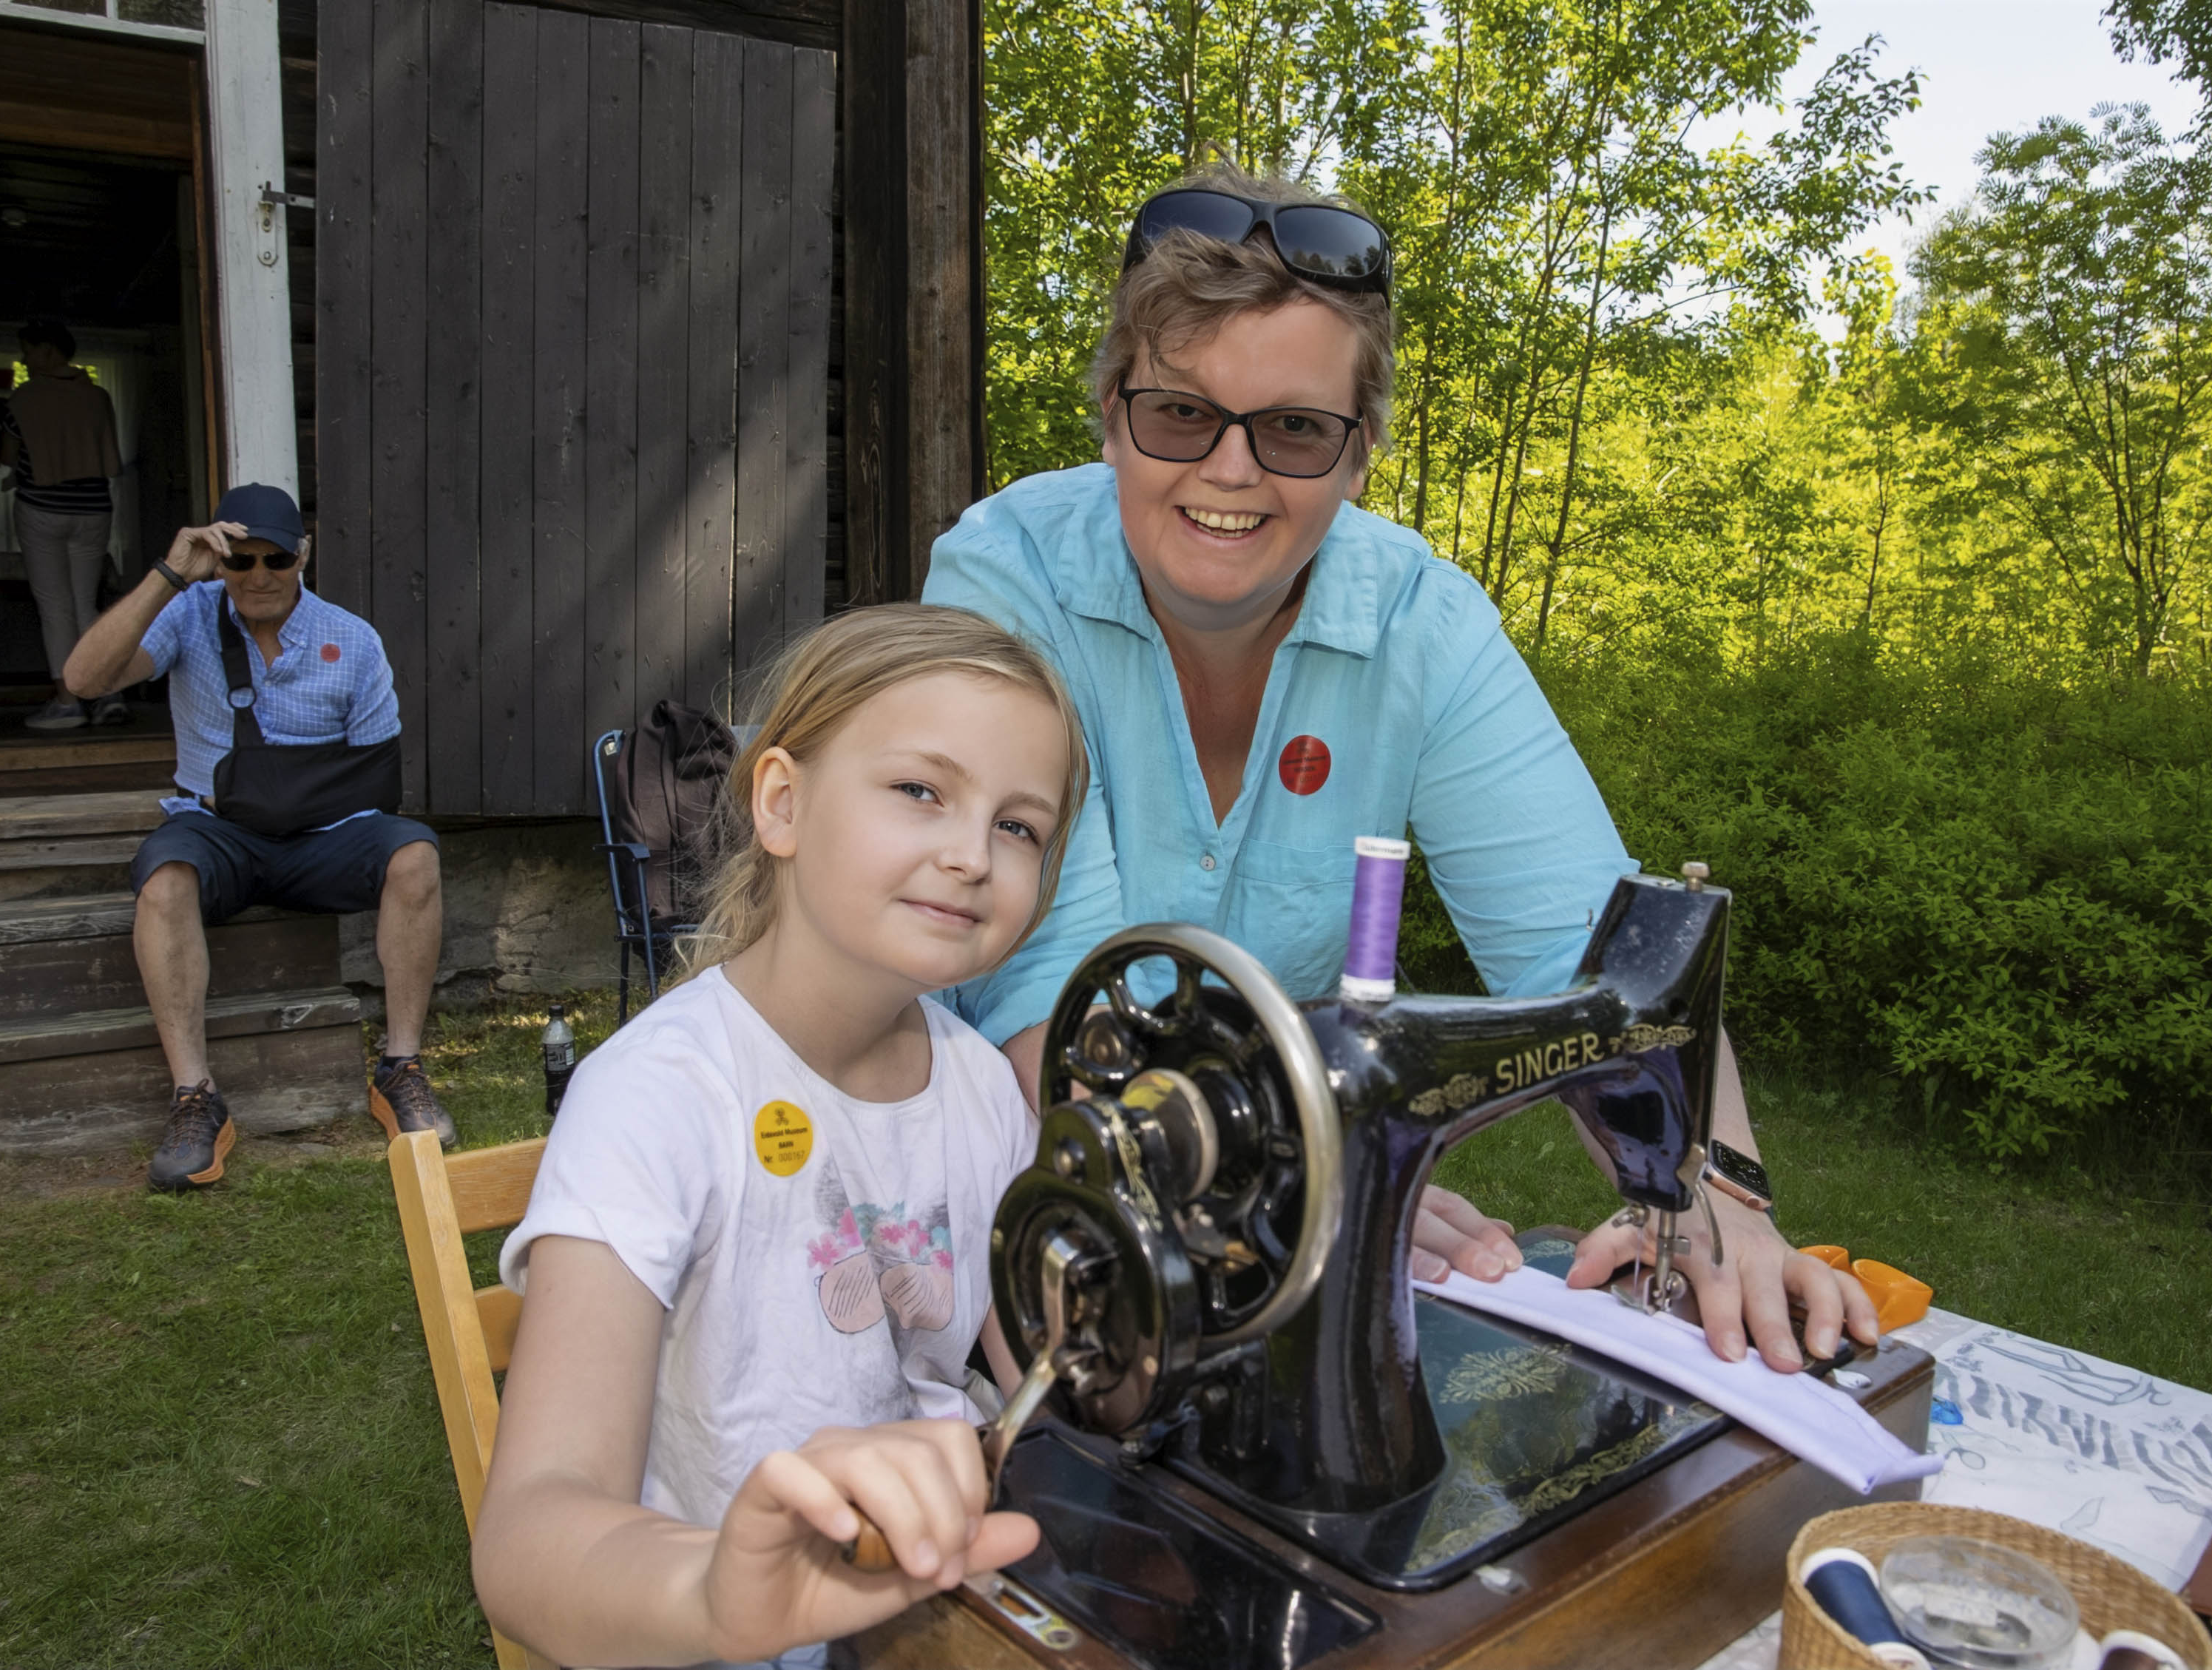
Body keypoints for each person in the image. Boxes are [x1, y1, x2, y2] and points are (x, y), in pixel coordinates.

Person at [922, 163, 1878, 1373]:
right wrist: (1301, 1175)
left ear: (1361, 453)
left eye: (1295, 429)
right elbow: (1054, 1012)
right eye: (1179, 414)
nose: (1230, 470)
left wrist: (1718, 1197)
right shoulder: (1006, 577)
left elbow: (1598, 953)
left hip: (1227, 1207)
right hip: (966, 1183)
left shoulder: (1425, 625)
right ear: (1111, 412)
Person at [471, 605, 1082, 1669]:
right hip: (704, 1630)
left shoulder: (982, 1090)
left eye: (1019, 825)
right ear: (783, 803)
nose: (972, 854)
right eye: (921, 791)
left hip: (924, 1611)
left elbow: (1046, 1362)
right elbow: (527, 1539)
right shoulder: (656, 1100)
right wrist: (714, 1595)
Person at [61, 483, 456, 1191]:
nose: (259, 576)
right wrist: (171, 573)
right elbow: (84, 679)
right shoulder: (187, 615)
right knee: (163, 879)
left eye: (275, 558)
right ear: (219, 563)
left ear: (302, 556)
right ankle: (195, 1097)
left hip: (323, 837)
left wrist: (300, 800)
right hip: (218, 832)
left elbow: (374, 781)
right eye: (239, 562)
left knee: (416, 852)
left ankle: (401, 1067)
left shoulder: (353, 640)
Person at [0, 318, 128, 731]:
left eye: (29, 350)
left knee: (56, 608)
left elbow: (8, 456)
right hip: (93, 510)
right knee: (85, 604)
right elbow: (108, 454)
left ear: (50, 350)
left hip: (42, 509)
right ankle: (108, 693)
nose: (23, 360)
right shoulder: (98, 397)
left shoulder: (24, 398)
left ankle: (68, 701)